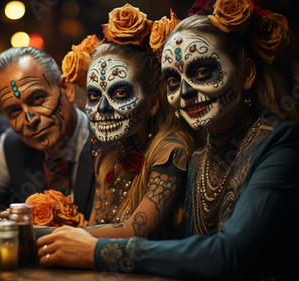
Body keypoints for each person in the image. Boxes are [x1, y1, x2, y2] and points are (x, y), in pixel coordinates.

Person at [36, 1, 299, 280]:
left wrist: (99, 251)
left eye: (202, 72)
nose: (184, 92)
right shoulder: (199, 159)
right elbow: (188, 254)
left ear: (245, 74)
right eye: (172, 79)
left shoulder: (283, 144)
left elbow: (230, 253)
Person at [57, 4, 199, 240]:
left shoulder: (171, 150)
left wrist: (36, 234)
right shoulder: (107, 159)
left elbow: (135, 230)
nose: (101, 108)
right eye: (94, 96)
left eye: (120, 93)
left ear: (153, 103)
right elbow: (95, 226)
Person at [0, 47, 98, 220]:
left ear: (67, 89)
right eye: (14, 111)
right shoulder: (13, 146)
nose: (30, 119)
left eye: (37, 99)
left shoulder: (108, 139)